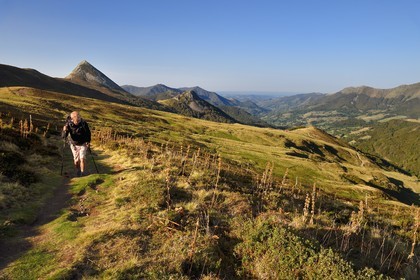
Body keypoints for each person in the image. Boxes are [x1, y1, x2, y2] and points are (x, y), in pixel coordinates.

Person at [62, 111, 91, 176]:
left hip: (83, 143)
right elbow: (64, 136)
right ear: (72, 118)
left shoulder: (83, 123)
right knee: (76, 160)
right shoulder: (68, 124)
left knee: (82, 158)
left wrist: (88, 141)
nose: (77, 121)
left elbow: (88, 133)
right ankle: (78, 170)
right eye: (75, 119)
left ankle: (82, 173)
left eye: (78, 118)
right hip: (73, 144)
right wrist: (64, 130)